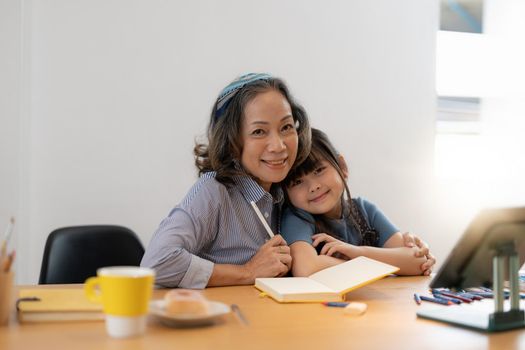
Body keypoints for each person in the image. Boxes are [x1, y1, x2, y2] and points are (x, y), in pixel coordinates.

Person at [140, 73, 312, 288]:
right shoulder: (213, 191)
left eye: (286, 127)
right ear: (231, 142)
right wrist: (247, 272)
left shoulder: (289, 190)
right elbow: (156, 263)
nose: (278, 146)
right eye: (259, 132)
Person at [281, 128, 436, 277]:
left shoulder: (365, 211)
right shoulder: (297, 218)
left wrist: (357, 252)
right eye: (297, 182)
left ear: (342, 167)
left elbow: (418, 262)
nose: (313, 187)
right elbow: (306, 268)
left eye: (319, 170)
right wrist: (390, 263)